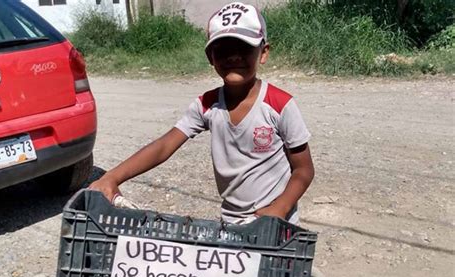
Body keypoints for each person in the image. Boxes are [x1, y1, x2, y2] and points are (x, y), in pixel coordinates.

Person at [90, 1, 314, 226]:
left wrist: (280, 208)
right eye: (224, 49)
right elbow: (164, 146)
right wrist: (111, 177)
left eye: (243, 47)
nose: (234, 56)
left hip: (275, 222)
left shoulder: (280, 105)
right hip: (230, 222)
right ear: (211, 58)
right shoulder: (207, 105)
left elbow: (303, 170)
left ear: (263, 53)